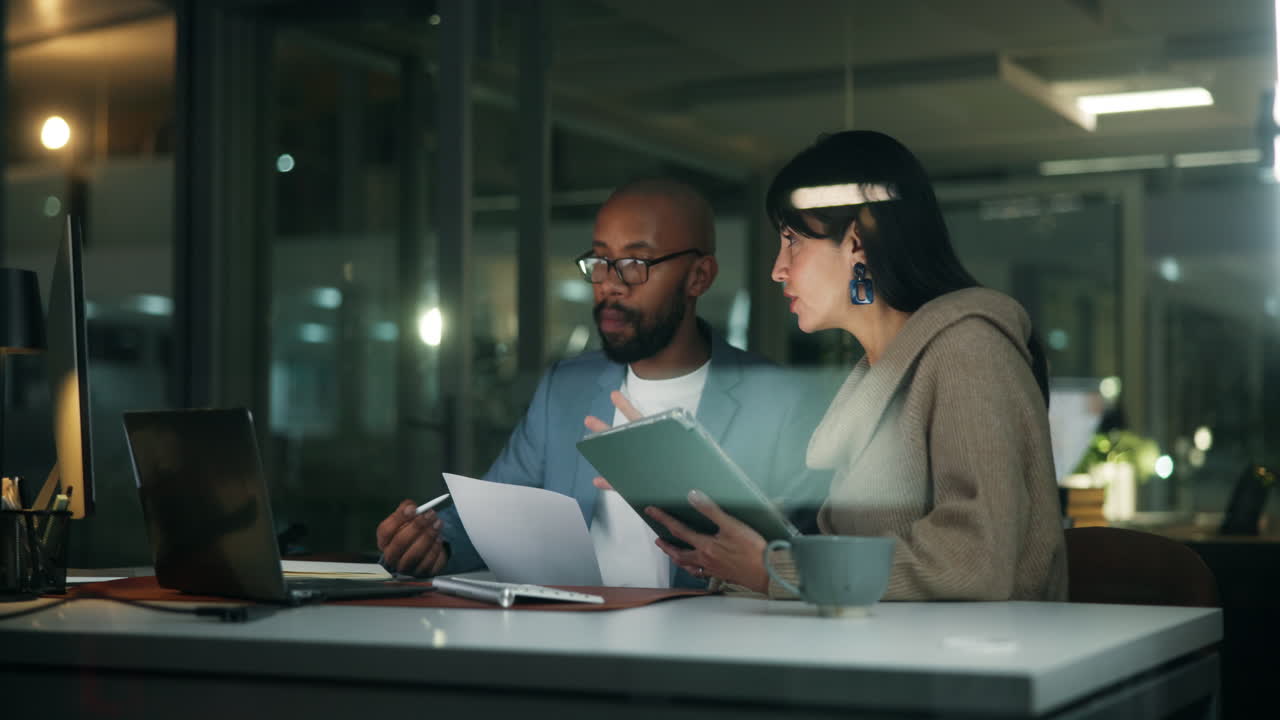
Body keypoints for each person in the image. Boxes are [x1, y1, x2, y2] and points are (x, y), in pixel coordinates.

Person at [642, 131, 1069, 601]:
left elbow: (973, 560)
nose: (777, 269)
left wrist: (775, 570)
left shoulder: (970, 348)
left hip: (967, 662)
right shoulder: (877, 372)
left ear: (858, 241)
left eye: (792, 240)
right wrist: (735, 552)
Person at [375, 178, 830, 588]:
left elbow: (808, 562)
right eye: (599, 260)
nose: (609, 283)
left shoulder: (778, 401)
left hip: (708, 655)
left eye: (634, 263)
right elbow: (492, 517)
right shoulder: (565, 390)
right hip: (575, 648)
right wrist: (434, 543)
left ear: (699, 276)